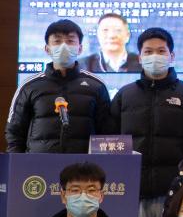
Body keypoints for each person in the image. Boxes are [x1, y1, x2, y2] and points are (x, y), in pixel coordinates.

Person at [112, 27, 183, 217]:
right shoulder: (124, 95)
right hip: (131, 192)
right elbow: (109, 141)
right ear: (139, 57)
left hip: (173, 193)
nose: (155, 56)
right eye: (148, 51)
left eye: (161, 51)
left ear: (171, 56)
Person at [7, 19, 114, 153]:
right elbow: (14, 132)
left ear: (80, 48)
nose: (64, 46)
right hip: (38, 163)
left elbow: (107, 132)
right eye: (57, 41)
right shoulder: (29, 86)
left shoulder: (96, 85)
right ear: (47, 49)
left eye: (70, 41)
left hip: (84, 164)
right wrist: (18, 162)